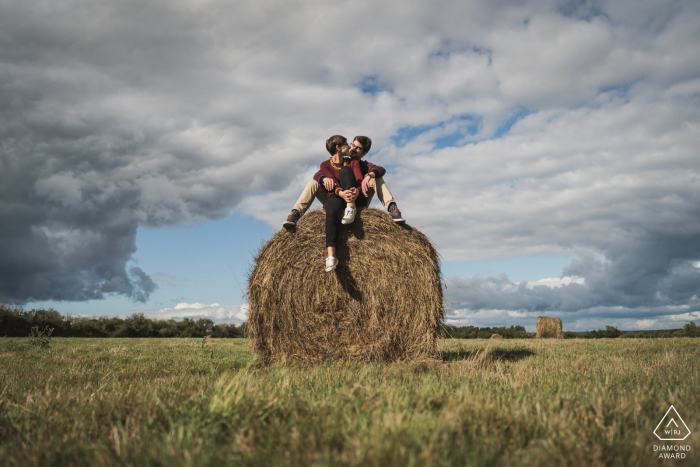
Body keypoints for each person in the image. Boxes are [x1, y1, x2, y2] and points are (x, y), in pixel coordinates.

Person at [282, 135, 405, 230]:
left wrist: (369, 175)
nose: (353, 149)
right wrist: (324, 178)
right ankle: (295, 213)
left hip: (358, 197)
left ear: (364, 152)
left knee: (376, 178)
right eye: (353, 145)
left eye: (358, 148)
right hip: (336, 197)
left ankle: (392, 208)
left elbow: (380, 169)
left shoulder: (363, 165)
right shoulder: (340, 161)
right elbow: (318, 173)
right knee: (312, 183)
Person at [318, 135, 365, 272]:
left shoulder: (352, 162)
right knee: (331, 210)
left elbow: (359, 179)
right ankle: (331, 256)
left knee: (345, 170)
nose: (349, 147)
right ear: (338, 148)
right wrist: (342, 194)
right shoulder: (325, 165)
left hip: (355, 196)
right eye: (346, 144)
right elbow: (332, 183)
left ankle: (351, 207)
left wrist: (356, 192)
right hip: (337, 195)